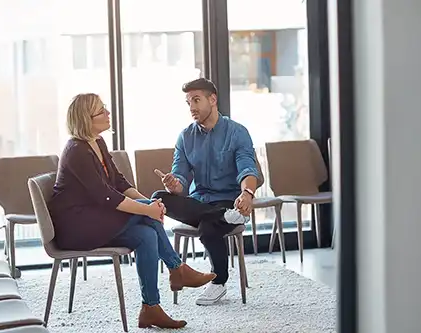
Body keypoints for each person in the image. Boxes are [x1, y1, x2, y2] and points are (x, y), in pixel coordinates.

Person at [48, 93, 216, 329]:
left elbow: (118, 182)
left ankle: (151, 308)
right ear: (86, 119)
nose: (107, 113)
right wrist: (148, 208)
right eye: (101, 110)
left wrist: (148, 203)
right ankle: (177, 269)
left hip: (96, 220)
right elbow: (106, 196)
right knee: (146, 212)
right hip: (76, 227)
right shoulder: (76, 150)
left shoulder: (97, 142)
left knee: (146, 235)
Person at [152, 78, 262, 306]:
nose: (191, 107)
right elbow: (180, 179)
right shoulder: (185, 137)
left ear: (213, 100)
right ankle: (222, 217)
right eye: (188, 102)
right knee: (158, 197)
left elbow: (247, 168)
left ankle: (218, 281)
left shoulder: (237, 132)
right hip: (199, 203)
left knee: (208, 227)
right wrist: (174, 185)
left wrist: (247, 194)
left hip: (230, 201)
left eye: (196, 100)